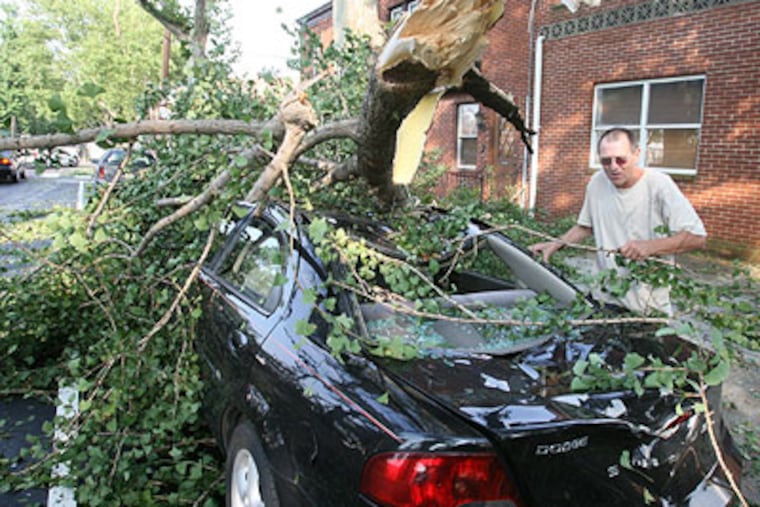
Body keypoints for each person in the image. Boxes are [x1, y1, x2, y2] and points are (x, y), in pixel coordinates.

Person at [530, 127, 707, 315]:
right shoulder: (597, 182)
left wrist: (650, 246)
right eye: (606, 161)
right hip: (602, 297)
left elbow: (697, 237)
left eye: (621, 160)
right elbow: (585, 227)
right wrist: (555, 245)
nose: (613, 167)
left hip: (646, 307)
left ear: (636, 154)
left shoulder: (659, 185)